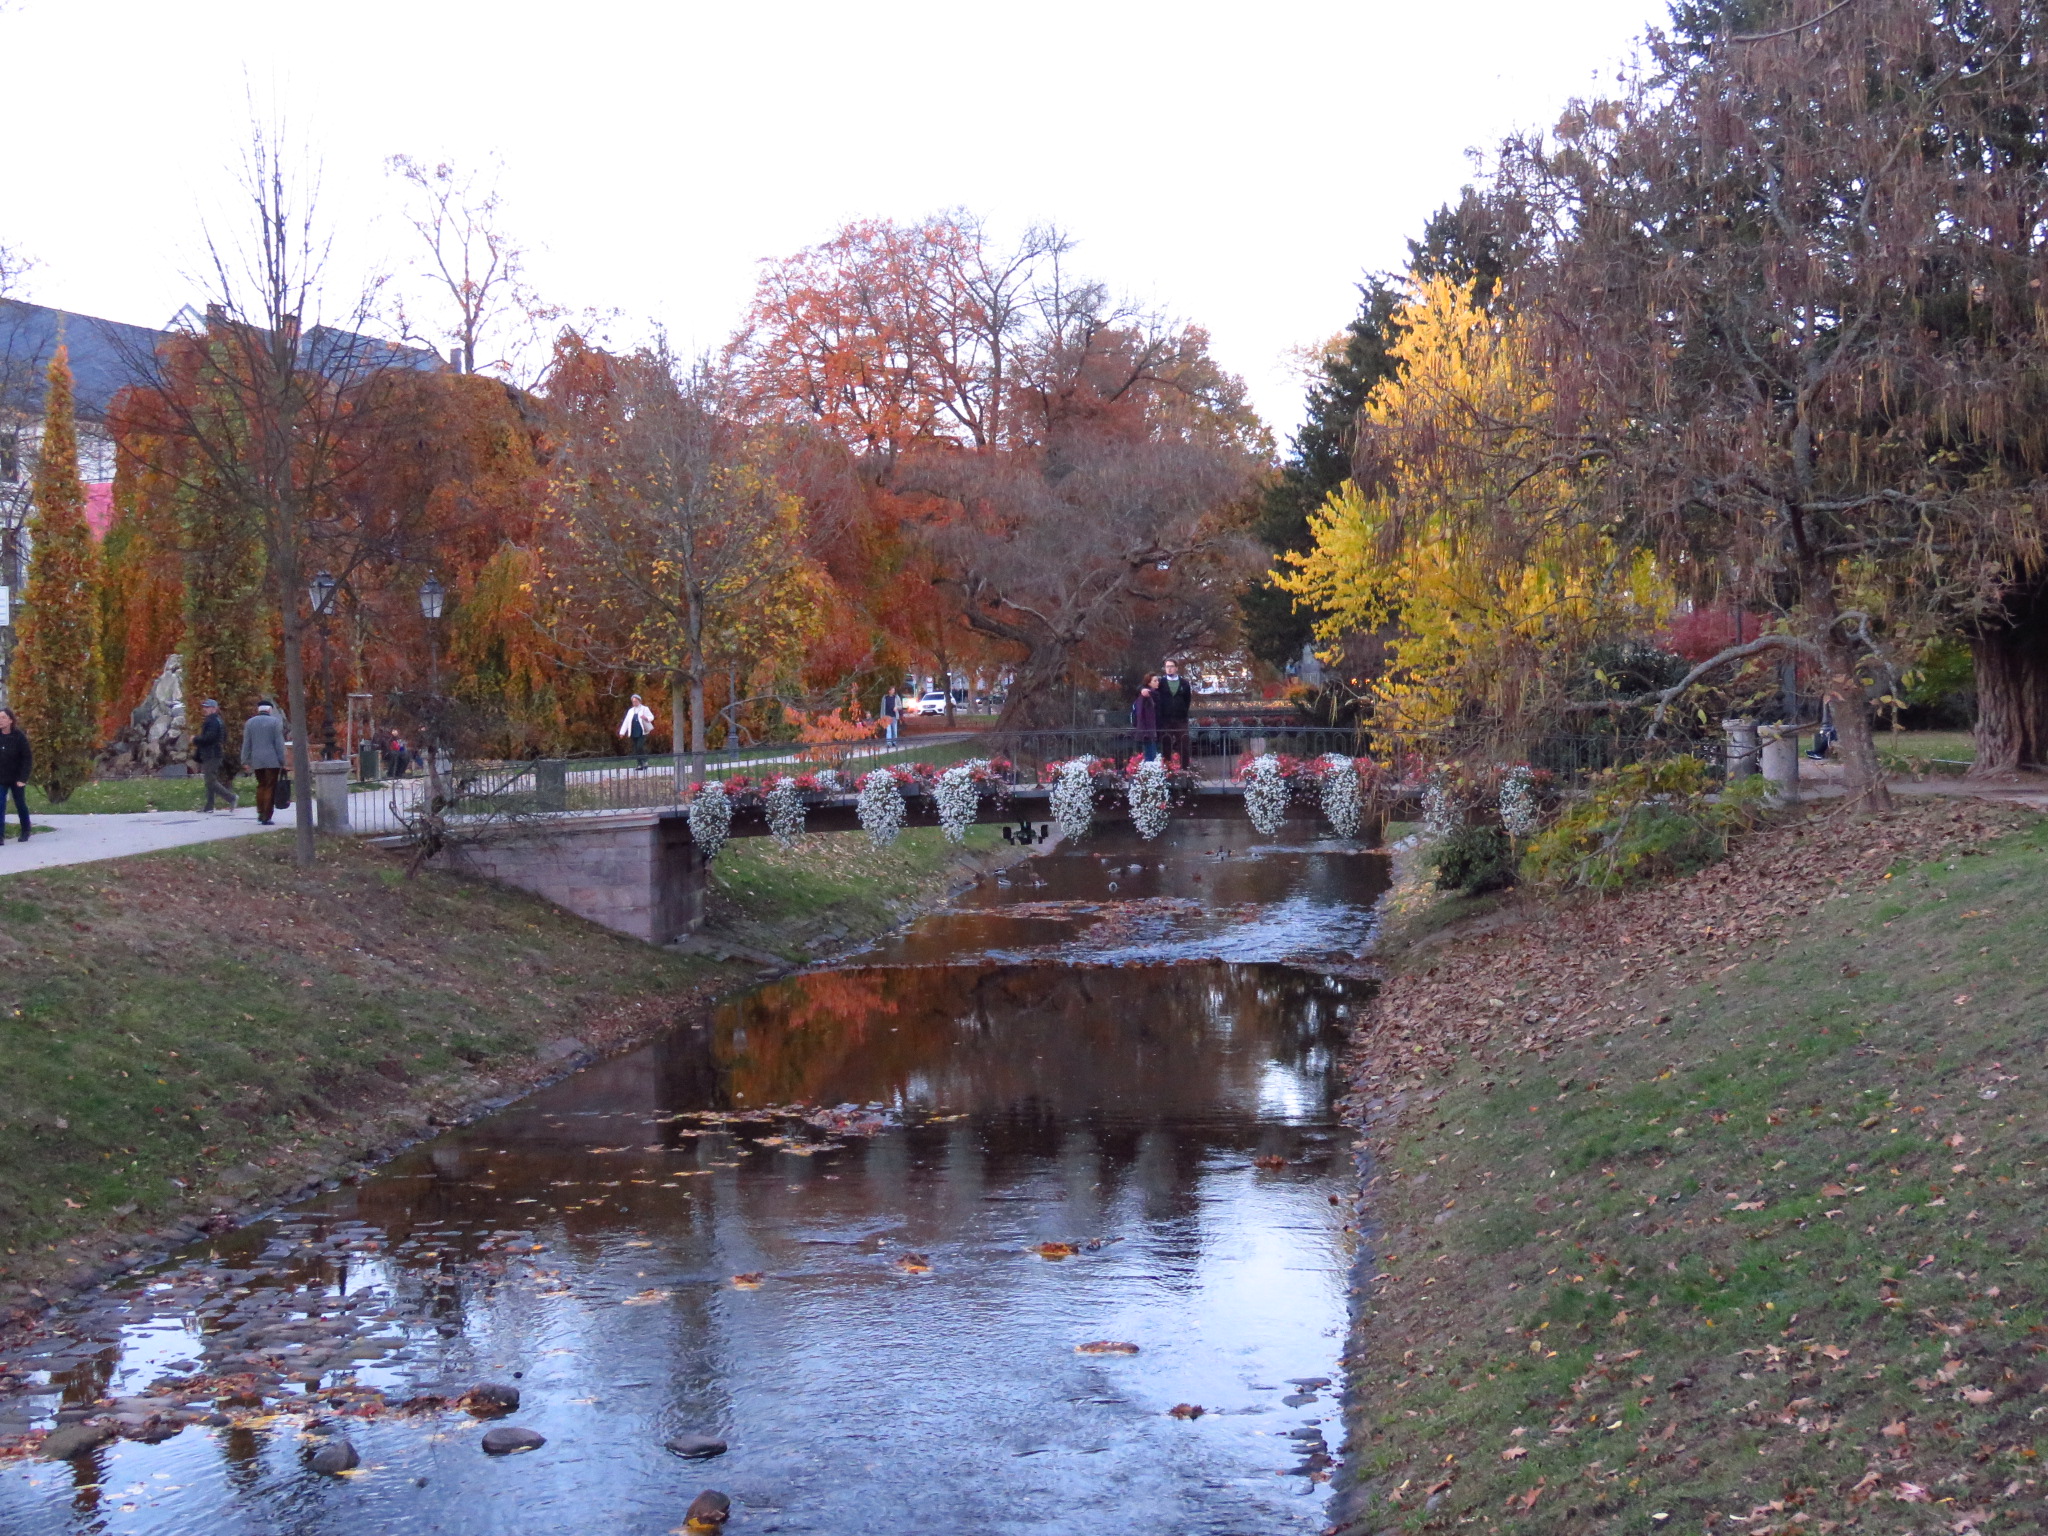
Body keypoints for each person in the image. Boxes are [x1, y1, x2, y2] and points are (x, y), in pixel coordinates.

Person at [239, 700, 288, 825]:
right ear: (270, 710)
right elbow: (279, 743)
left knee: (261, 785)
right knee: (270, 786)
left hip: (257, 760)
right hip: (272, 761)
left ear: (259, 709)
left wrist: (245, 760)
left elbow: (247, 743)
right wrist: (282, 760)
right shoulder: (275, 722)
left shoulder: (250, 723)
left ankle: (260, 812)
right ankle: (267, 815)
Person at [193, 698, 238, 813]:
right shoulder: (218, 721)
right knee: (209, 780)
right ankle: (209, 806)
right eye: (204, 707)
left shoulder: (212, 721)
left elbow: (209, 738)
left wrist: (195, 739)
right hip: (214, 753)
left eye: (207, 707)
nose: (205, 709)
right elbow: (224, 737)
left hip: (211, 754)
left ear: (214, 708)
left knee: (210, 781)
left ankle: (231, 798)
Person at [0, 709, 31, 843]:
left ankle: (26, 830)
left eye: (3, 717)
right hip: (1, 778)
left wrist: (23, 779)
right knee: (0, 805)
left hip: (17, 778)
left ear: (10, 720)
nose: (0, 720)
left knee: (20, 804)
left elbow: (27, 758)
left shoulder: (19, 737)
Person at [1156, 660, 1192, 766]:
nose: (1169, 669)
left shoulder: (1184, 683)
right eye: (1167, 667)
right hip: (1165, 719)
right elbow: (1146, 686)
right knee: (1166, 744)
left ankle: (1185, 770)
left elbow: (1187, 700)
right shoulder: (1161, 683)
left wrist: (1183, 711)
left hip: (1180, 719)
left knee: (1183, 743)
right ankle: (1167, 769)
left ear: (1176, 668)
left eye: (1171, 666)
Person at [618, 693, 656, 769]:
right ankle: (639, 764)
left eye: (635, 701)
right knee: (635, 748)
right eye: (633, 701)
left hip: (642, 731)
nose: (634, 703)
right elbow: (626, 722)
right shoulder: (630, 711)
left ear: (639, 701)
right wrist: (622, 732)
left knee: (639, 746)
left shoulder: (645, 709)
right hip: (633, 731)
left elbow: (651, 717)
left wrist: (646, 718)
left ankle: (645, 761)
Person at [1130, 677, 1160, 761]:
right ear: (1149, 683)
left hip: (1154, 730)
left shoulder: (1155, 694)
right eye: (1155, 681)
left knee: (1153, 754)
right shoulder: (1145, 697)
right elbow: (1142, 715)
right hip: (1149, 731)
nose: (1157, 682)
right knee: (1150, 755)